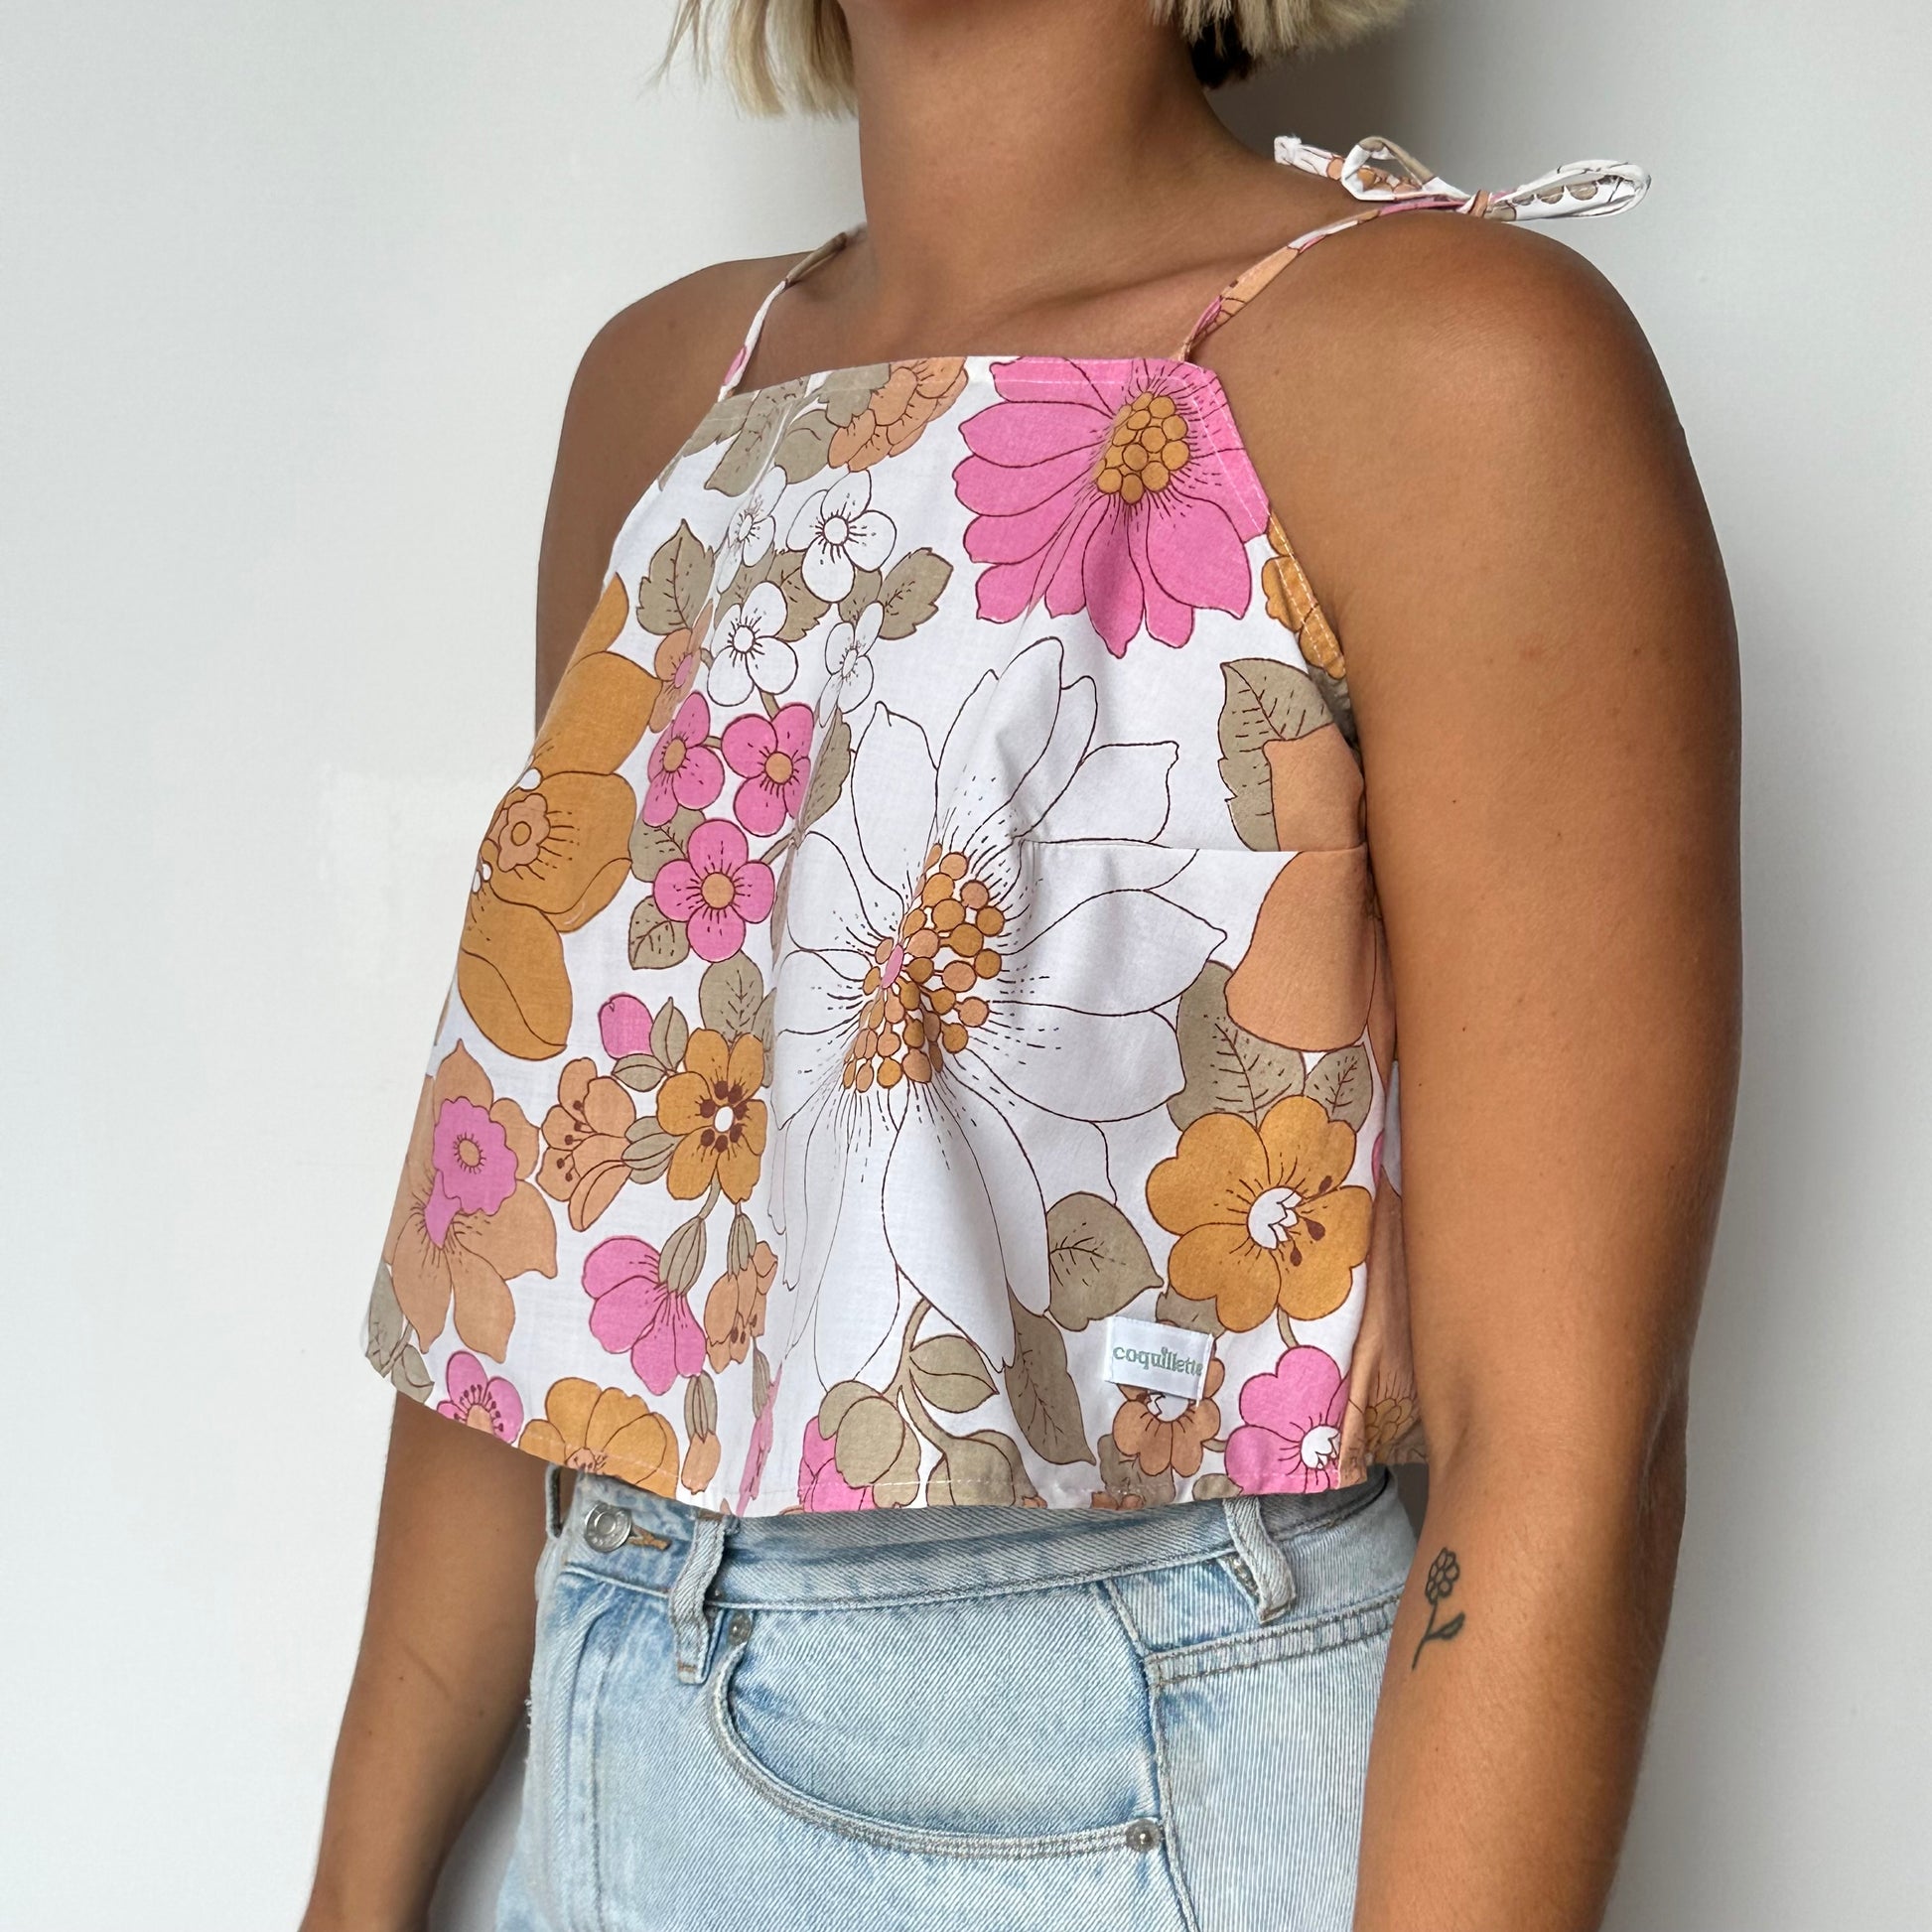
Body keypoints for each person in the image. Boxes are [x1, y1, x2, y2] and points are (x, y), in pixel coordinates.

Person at [303, 2, 1740, 1928]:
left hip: (1124, 1773)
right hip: (614, 1715)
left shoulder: (1445, 360)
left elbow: (1561, 1442)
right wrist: (352, 1893)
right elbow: (550, 1270)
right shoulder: (668, 393)